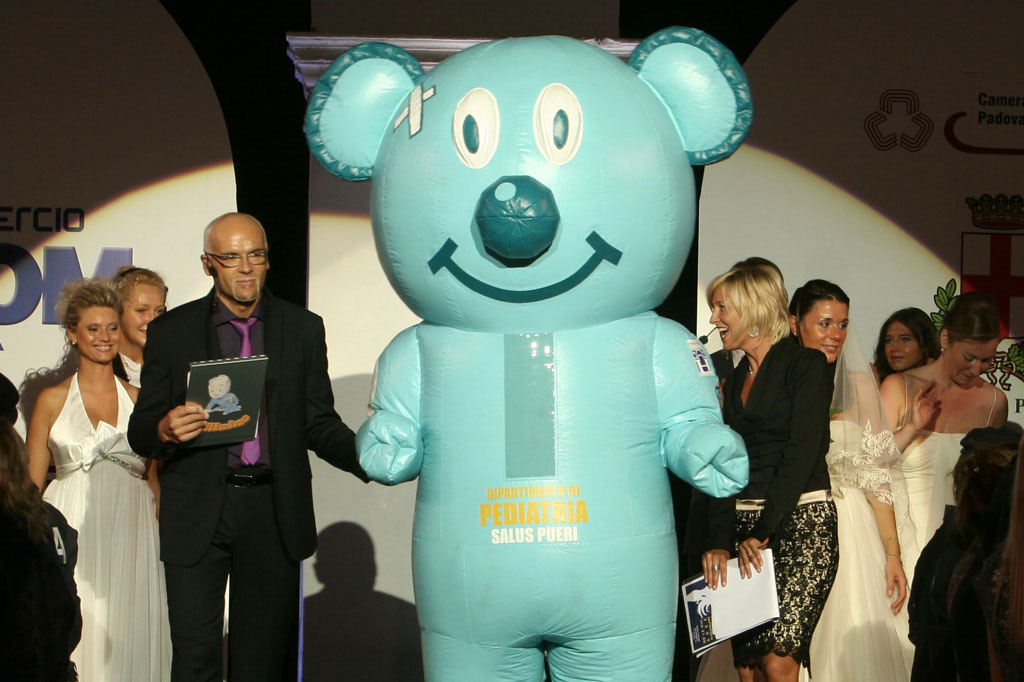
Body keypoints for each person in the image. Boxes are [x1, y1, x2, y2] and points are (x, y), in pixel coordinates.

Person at [127, 212, 366, 681]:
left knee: (259, 664)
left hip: (272, 510)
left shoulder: (301, 328)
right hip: (198, 509)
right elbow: (141, 430)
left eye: (256, 255)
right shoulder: (172, 331)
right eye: (231, 257)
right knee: (195, 658)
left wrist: (370, 455)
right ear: (207, 264)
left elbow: (318, 423)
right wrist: (165, 430)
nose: (246, 267)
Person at [26, 278, 171, 680]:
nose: (104, 338)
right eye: (93, 328)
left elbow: (154, 480)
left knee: (131, 632)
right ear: (73, 334)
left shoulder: (141, 401)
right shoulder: (51, 400)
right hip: (73, 525)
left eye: (111, 327)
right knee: (80, 626)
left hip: (134, 528)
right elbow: (30, 487)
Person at [701, 264, 838, 682]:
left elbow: (802, 454)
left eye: (722, 307)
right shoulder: (731, 378)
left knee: (778, 663)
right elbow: (724, 463)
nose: (714, 319)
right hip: (744, 532)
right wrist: (719, 541)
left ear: (753, 309)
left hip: (800, 523)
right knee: (749, 670)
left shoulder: (806, 365)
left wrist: (763, 529)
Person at [788, 280, 916, 681]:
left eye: (842, 324)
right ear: (795, 323)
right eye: (825, 323)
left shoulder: (860, 385)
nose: (835, 334)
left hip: (850, 531)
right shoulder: (780, 379)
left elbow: (876, 475)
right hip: (791, 523)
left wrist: (892, 554)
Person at [881, 291, 1008, 555]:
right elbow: (870, 469)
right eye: (969, 357)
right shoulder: (898, 387)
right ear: (945, 338)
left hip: (961, 548)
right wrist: (912, 428)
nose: (977, 369)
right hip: (901, 544)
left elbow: (994, 489)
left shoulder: (994, 402)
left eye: (986, 360)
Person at [110, 265, 168, 388]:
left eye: (159, 311)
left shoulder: (173, 365)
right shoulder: (102, 366)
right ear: (118, 311)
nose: (152, 319)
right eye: (141, 311)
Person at [873, 307, 941, 384]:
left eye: (905, 339)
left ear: (926, 343)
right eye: (889, 340)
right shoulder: (871, 381)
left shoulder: (944, 384)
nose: (894, 347)